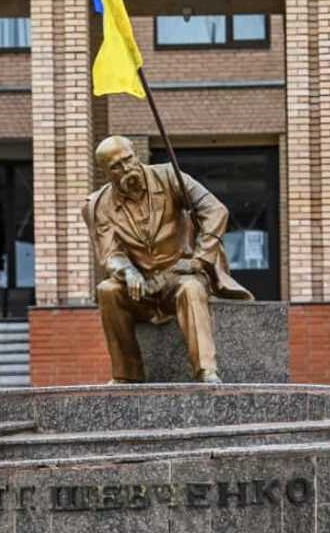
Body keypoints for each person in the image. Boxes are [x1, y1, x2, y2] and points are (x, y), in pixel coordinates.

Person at [83, 135, 252, 384]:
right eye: (116, 166)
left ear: (136, 154)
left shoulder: (171, 176)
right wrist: (128, 272)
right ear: (106, 172)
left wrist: (200, 259)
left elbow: (215, 210)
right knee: (106, 290)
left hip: (179, 275)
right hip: (140, 285)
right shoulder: (98, 204)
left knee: (192, 288)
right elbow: (110, 254)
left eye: (128, 160)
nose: (126, 169)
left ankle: (206, 371)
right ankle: (126, 374)